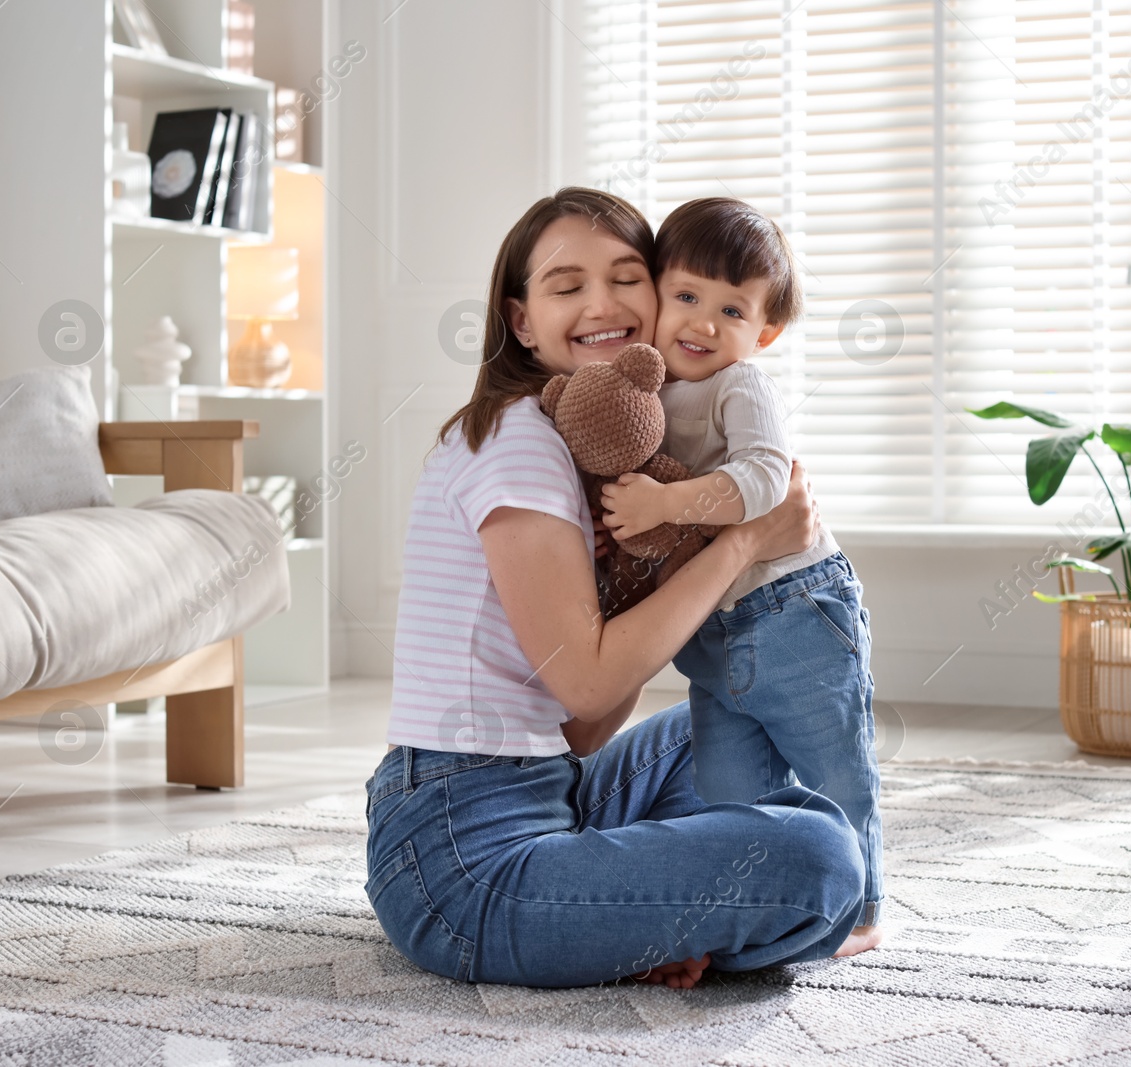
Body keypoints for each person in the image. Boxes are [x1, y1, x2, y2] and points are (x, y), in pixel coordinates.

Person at [364, 187, 877, 990]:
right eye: (567, 286)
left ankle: (636, 924)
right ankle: (648, 924)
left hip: (552, 789)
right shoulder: (516, 443)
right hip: (460, 860)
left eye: (626, 277)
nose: (602, 304)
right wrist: (743, 537)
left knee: (738, 714)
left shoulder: (588, 449)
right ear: (522, 321)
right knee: (822, 859)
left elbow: (585, 726)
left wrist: (656, 560)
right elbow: (590, 677)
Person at [598, 196, 884, 943]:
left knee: (834, 767)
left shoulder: (739, 386)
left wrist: (665, 502)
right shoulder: (643, 392)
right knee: (729, 790)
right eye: (686, 296)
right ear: (654, 293)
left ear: (766, 330)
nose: (701, 322)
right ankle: (757, 906)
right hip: (712, 637)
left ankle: (863, 909)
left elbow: (765, 474)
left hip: (795, 609)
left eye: (731, 309)